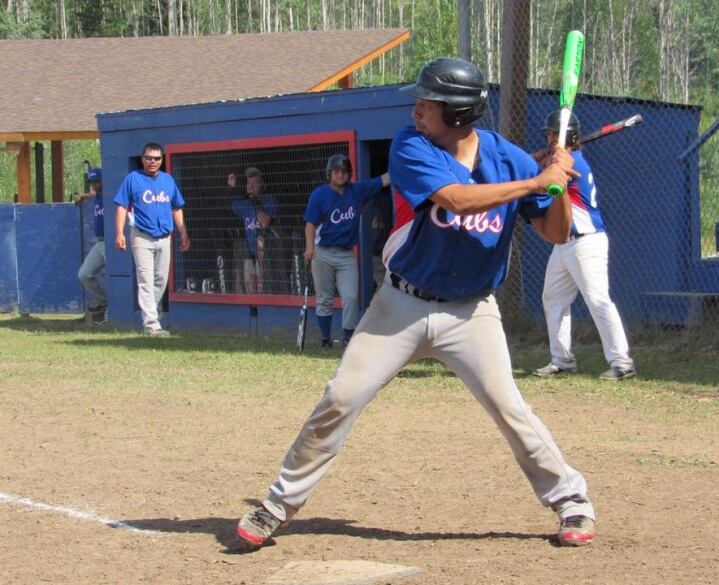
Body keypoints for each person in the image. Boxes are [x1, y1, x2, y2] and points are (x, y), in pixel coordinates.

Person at [237, 57, 595, 549]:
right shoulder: (412, 147)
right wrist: (535, 181)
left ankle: (571, 500)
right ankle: (278, 503)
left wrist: (558, 181)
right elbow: (456, 200)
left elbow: (555, 231)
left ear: (459, 113)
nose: (417, 109)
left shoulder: (508, 158)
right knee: (341, 397)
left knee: (510, 408)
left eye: (427, 103)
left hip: (471, 312)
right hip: (399, 306)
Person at [531, 111, 636, 381]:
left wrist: (536, 166)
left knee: (598, 299)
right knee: (553, 299)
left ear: (566, 136)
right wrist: (540, 162)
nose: (549, 138)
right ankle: (562, 360)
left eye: (554, 134)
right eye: (548, 134)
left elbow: (545, 186)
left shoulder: (571, 161)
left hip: (587, 241)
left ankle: (621, 362)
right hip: (563, 243)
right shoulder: (561, 160)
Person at [303, 154, 390, 347]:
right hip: (322, 251)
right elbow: (310, 224)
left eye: (344, 171)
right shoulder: (319, 194)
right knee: (324, 298)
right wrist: (309, 248)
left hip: (346, 253)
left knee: (350, 296)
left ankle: (348, 337)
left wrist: (404, 166)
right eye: (336, 171)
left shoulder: (357, 190)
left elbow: (383, 180)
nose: (340, 174)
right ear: (329, 173)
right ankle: (325, 340)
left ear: (349, 173)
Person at [114, 142, 190, 337]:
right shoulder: (133, 178)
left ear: (162, 160)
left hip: (165, 236)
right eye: (149, 158)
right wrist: (119, 233)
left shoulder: (168, 180)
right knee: (145, 279)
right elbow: (121, 205)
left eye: (157, 158)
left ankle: (152, 316)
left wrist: (183, 232)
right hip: (142, 235)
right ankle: (152, 324)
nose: (153, 161)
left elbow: (176, 207)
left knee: (161, 279)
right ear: (142, 159)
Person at [229, 167, 282, 293]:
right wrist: (231, 188)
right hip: (250, 254)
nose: (251, 187)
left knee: (267, 291)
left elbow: (265, 222)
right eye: (249, 183)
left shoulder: (269, 200)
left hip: (268, 255)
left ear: (262, 185)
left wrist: (255, 202)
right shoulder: (245, 204)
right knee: (250, 292)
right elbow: (229, 205)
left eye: (254, 183)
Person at [75, 167, 107, 317]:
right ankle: (104, 302)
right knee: (84, 274)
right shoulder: (96, 195)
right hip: (100, 242)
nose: (94, 185)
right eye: (92, 182)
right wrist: (82, 196)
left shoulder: (110, 194)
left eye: (97, 181)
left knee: (116, 275)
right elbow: (93, 194)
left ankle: (116, 309)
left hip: (111, 242)